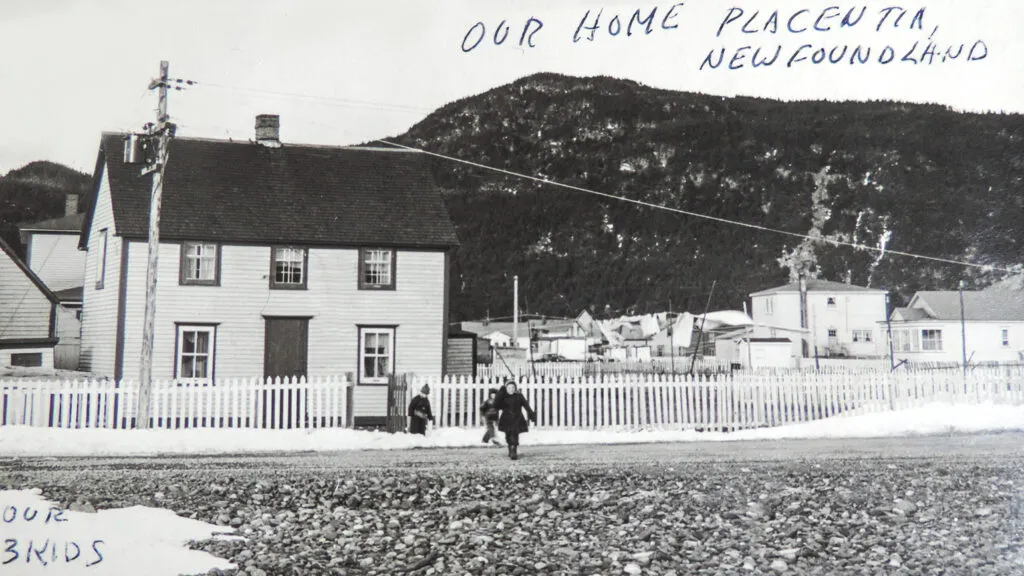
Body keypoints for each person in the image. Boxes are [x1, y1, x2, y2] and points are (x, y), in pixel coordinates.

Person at [495, 379, 536, 460]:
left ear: (515, 388)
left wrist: (532, 415)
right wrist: (501, 392)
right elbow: (496, 405)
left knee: (514, 434)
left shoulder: (519, 396)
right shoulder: (504, 397)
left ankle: (514, 451)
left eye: (513, 387)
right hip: (506, 418)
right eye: (509, 388)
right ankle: (510, 449)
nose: (511, 389)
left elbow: (526, 406)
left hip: (517, 418)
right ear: (506, 388)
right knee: (508, 434)